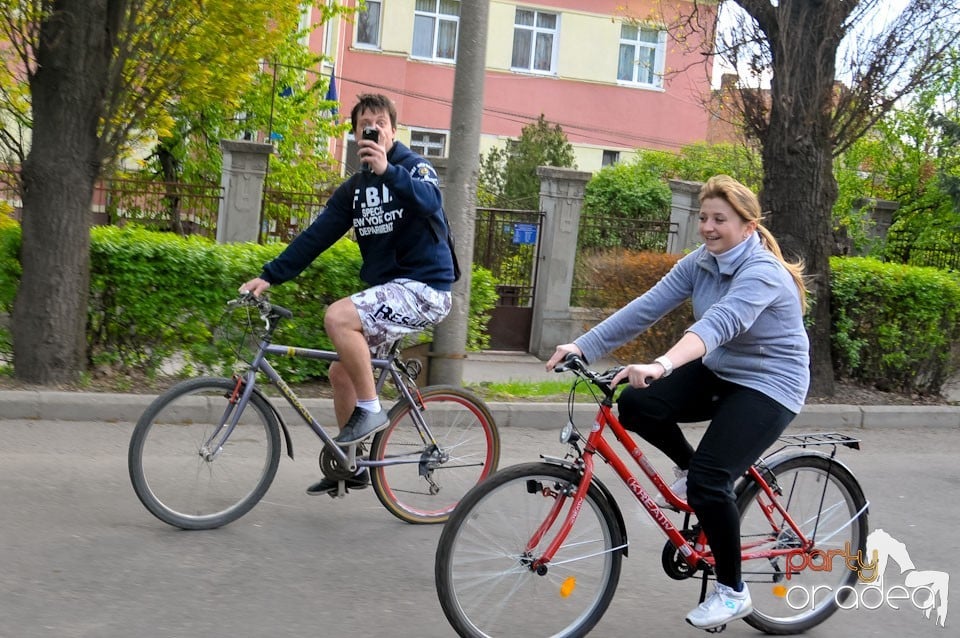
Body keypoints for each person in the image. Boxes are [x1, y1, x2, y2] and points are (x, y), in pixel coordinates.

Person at [546, 174, 809, 630]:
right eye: (704, 217)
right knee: (637, 405)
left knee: (712, 480)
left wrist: (662, 364)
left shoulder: (762, 272)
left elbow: (718, 325)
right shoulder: (702, 261)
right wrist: (582, 346)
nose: (708, 227)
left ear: (747, 227)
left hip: (771, 383)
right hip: (722, 369)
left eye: (719, 219)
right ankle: (690, 471)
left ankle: (733, 591)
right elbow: (647, 306)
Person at [241, 93, 456, 496]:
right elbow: (315, 237)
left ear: (393, 131)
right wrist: (269, 276)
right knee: (341, 372)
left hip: (427, 288)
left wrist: (390, 170)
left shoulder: (415, 168)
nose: (372, 131)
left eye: (380, 124)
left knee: (338, 316)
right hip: (392, 291)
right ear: (356, 136)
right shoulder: (354, 190)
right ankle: (350, 463)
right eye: (364, 127)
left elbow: (430, 201)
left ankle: (371, 410)